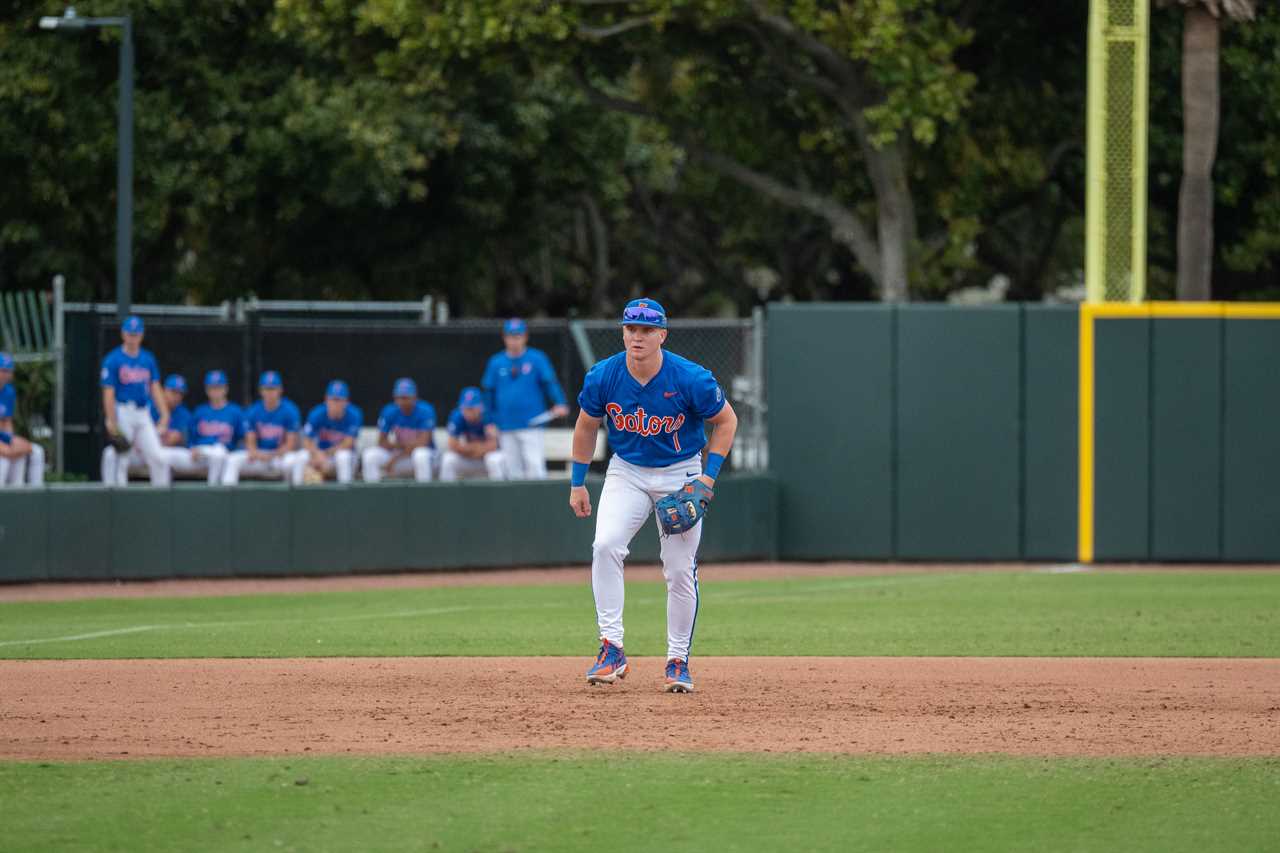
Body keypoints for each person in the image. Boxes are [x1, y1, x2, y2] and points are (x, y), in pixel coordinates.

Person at [569, 298, 738, 693]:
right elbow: (585, 426)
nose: (638, 336)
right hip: (626, 470)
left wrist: (707, 479)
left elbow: (727, 420)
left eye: (647, 329)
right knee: (605, 545)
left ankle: (677, 660)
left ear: (662, 334)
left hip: (681, 472)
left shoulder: (690, 378)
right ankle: (612, 648)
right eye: (631, 328)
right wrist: (577, 482)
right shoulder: (604, 376)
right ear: (623, 332)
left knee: (679, 569)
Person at [481, 317, 569, 480]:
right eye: (510, 336)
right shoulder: (496, 362)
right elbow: (488, 394)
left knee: (535, 466)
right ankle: (516, 505)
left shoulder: (537, 358)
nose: (514, 341)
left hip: (532, 423)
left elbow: (549, 383)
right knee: (512, 470)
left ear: (525, 337)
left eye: (518, 336)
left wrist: (560, 402)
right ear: (504, 337)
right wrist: (489, 421)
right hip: (506, 425)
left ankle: (539, 504)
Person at [99, 315, 171, 486]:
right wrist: (111, 419)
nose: (133, 338)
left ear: (141, 335)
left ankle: (160, 498)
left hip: (142, 412)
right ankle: (117, 500)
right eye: (130, 334)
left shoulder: (147, 358)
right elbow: (108, 392)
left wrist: (164, 413)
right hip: (123, 410)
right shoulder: (113, 359)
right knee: (121, 456)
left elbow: (155, 387)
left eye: (136, 334)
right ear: (123, 334)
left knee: (157, 456)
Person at [101, 373, 190, 486]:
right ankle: (110, 493)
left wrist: (146, 440)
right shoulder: (146, 407)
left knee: (161, 457)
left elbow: (171, 440)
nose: (176, 396)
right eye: (173, 392)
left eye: (180, 393)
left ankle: (161, 497)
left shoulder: (183, 413)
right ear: (163, 390)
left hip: (163, 451)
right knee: (110, 453)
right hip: (139, 453)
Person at [222, 371, 307, 485]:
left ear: (280, 390)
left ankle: (292, 498)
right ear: (261, 391)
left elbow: (290, 445)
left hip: (280, 457)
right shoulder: (254, 410)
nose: (270, 392)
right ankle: (228, 499)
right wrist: (257, 454)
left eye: (273, 389)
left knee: (293, 462)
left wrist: (272, 455)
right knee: (233, 460)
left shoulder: (290, 410)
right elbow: (250, 443)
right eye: (267, 389)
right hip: (259, 456)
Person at [362, 378, 436, 483]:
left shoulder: (425, 410)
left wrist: (395, 458)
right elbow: (381, 441)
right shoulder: (390, 411)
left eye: (406, 397)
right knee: (370, 455)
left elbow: (423, 442)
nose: (402, 401)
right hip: (400, 453)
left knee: (420, 455)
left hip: (425, 456)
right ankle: (372, 496)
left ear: (414, 397)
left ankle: (424, 496)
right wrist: (399, 447)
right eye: (399, 397)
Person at [176, 370, 242, 485]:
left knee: (218, 453)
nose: (216, 391)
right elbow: (190, 437)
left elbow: (241, 439)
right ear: (207, 390)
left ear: (226, 389)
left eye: (219, 387)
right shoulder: (200, 411)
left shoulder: (235, 412)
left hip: (223, 454)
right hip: (200, 454)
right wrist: (191, 447)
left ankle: (212, 490)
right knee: (164, 458)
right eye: (212, 388)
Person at [439, 387, 504, 482]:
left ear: (480, 407)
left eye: (471, 408)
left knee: (493, 460)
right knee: (448, 459)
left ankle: (501, 495)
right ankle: (446, 495)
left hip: (489, 457)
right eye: (465, 408)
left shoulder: (489, 416)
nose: (468, 413)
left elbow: (492, 446)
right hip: (471, 456)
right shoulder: (457, 416)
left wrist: (468, 448)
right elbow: (452, 445)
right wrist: (475, 448)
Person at [302, 380, 361, 483]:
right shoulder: (317, 413)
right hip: (321, 455)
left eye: (339, 400)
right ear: (326, 399)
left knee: (342, 457)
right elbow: (306, 441)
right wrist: (316, 454)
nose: (335, 403)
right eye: (333, 399)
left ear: (346, 401)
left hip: (345, 456)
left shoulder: (354, 414)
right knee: (301, 457)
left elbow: (348, 443)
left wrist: (325, 454)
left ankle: (345, 494)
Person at [0, 352, 45, 487]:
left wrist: (11, 441)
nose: (6, 375)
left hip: (2, 437)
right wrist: (4, 448)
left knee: (34, 451)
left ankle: (32, 498)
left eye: (9, 371)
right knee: (4, 460)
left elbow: (6, 421)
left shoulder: (8, 391)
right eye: (3, 370)